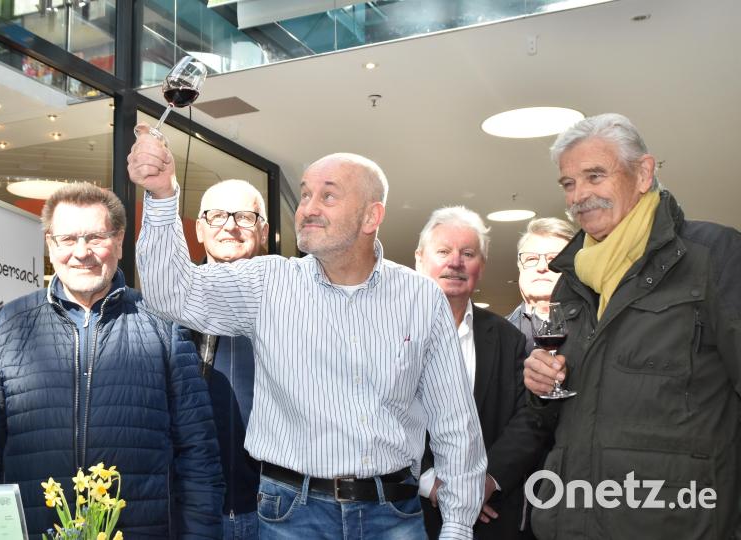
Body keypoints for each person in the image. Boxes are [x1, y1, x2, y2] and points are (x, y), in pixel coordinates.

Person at [129, 124, 487, 539]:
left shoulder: (421, 298)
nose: (308, 208)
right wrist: (161, 195)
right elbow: (170, 294)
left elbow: (455, 422)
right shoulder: (267, 283)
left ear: (372, 216)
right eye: (305, 194)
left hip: (393, 515)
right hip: (292, 517)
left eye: (328, 195)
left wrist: (458, 526)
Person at [522, 113, 741, 539]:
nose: (580, 195)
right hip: (572, 519)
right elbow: (563, 416)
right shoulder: (571, 280)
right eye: (569, 184)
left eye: (595, 176)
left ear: (643, 173)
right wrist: (541, 392)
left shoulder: (714, 256)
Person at [0, 183, 223, 539]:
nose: (82, 252)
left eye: (96, 237)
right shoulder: (10, 324)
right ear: (50, 244)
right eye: (67, 239)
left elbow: (198, 451)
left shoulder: (162, 323)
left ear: (120, 241)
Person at [415, 207, 553, 540]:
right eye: (444, 251)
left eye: (468, 253)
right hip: (410, 515)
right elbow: (376, 412)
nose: (456, 262)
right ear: (420, 259)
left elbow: (529, 419)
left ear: (482, 266)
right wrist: (430, 482)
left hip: (491, 516)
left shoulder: (509, 338)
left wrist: (484, 482)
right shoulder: (389, 332)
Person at [193, 180, 269, 539]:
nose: (230, 226)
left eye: (244, 216)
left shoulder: (295, 306)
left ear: (264, 231)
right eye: (217, 215)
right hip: (195, 512)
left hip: (278, 511)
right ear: (199, 228)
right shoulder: (170, 307)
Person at [506, 218, 574, 357]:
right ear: (520, 267)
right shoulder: (498, 333)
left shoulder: (595, 325)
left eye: (553, 259)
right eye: (531, 259)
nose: (542, 267)